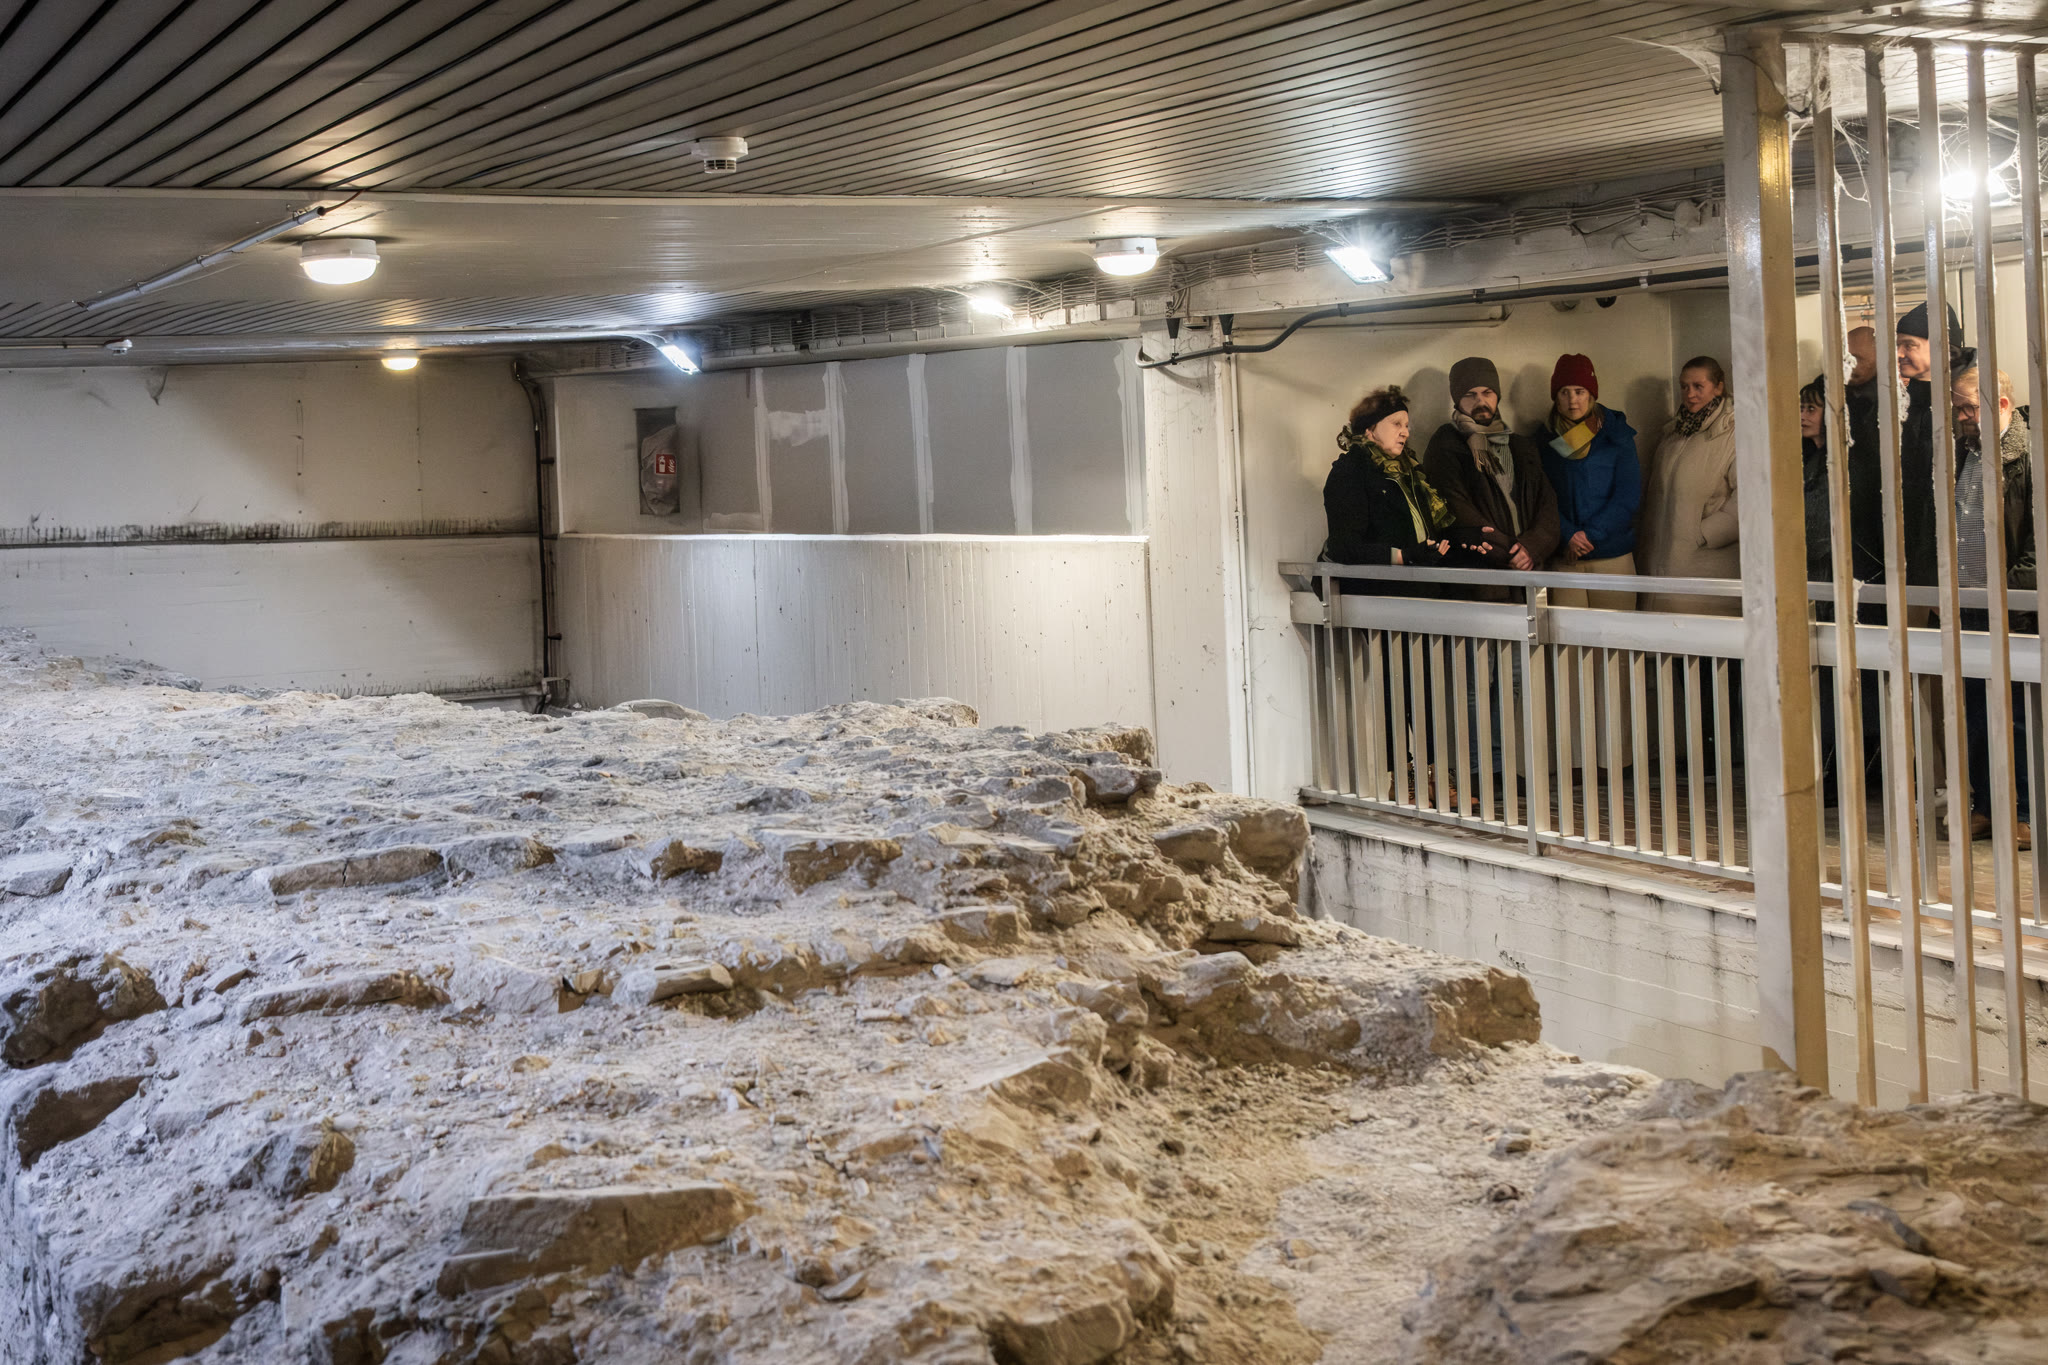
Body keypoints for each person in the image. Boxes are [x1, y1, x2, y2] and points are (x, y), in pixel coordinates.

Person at [1950, 365, 2033, 849]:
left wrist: (2010, 593)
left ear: (2001, 405)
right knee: (1976, 712)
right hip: (1968, 604)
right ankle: (1984, 805)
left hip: (2012, 607)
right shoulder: (1965, 450)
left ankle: (2023, 812)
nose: (1961, 416)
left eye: (1969, 407)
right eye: (1958, 407)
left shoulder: (2027, 456)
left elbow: (2037, 544)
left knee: (2017, 715)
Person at [1320, 385, 1494, 591]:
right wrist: (1403, 556)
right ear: (1370, 430)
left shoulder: (1408, 471)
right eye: (1396, 424)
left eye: (1406, 426)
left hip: (1414, 590)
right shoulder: (1350, 471)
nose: (1405, 432)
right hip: (1374, 596)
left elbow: (1420, 537)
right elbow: (1344, 547)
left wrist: (1460, 539)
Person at [1421, 355, 1561, 593]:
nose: (1481, 401)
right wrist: (1512, 553)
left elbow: (1547, 505)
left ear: (1497, 396)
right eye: (1470, 394)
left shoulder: (1521, 446)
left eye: (1487, 392)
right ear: (1457, 399)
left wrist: (1532, 547)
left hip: (1530, 577)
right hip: (1481, 583)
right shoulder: (1446, 446)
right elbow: (1457, 512)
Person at [1538, 353, 1641, 611]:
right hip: (1565, 558)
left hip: (1612, 555)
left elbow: (1627, 495)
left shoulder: (1616, 435)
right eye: (1564, 392)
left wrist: (1589, 534)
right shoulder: (1543, 441)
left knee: (1616, 633)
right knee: (1566, 637)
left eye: (1580, 391)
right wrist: (1569, 534)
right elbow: (1542, 498)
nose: (1572, 400)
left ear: (1591, 394)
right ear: (1555, 397)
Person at [1639, 356, 1738, 615]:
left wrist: (1706, 533)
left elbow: (1750, 498)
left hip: (1706, 562)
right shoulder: (1674, 433)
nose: (1689, 394)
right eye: (1684, 386)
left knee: (1701, 631)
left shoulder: (1734, 434)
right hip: (1663, 558)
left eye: (1698, 386)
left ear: (1718, 387)